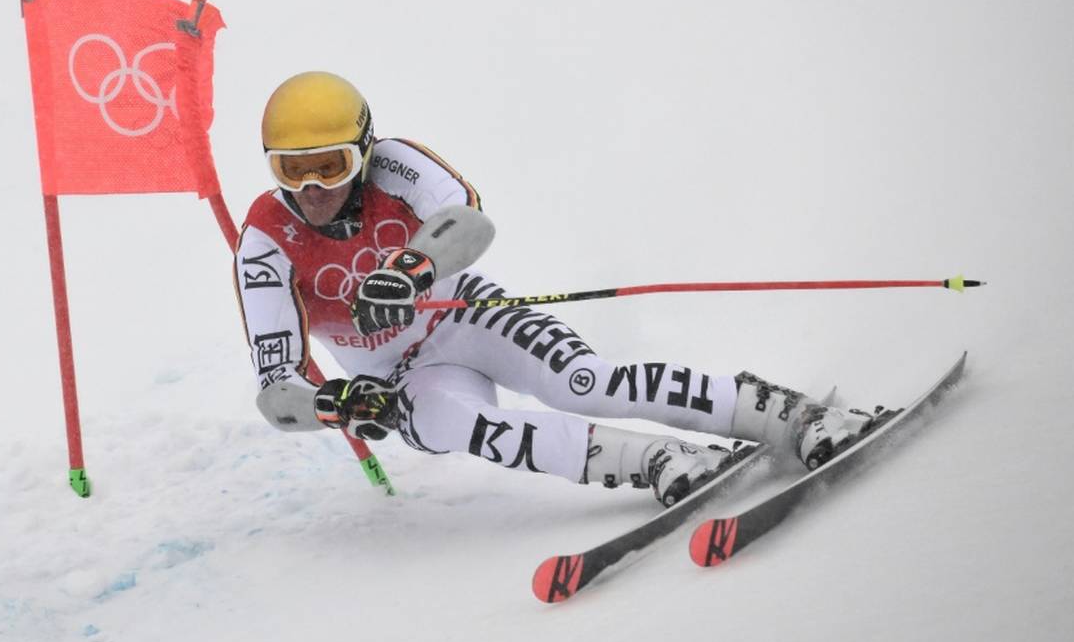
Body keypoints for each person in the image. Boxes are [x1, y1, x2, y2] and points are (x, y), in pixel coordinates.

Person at [236, 71, 885, 506]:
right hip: (402, 379)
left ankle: (796, 418)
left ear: (364, 149)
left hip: (466, 314)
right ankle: (659, 462)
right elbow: (276, 391)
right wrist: (336, 403)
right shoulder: (266, 241)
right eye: (293, 170)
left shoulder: (395, 162)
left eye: (332, 165)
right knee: (468, 427)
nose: (313, 188)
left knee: (583, 383)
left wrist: (410, 272)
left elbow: (465, 218)